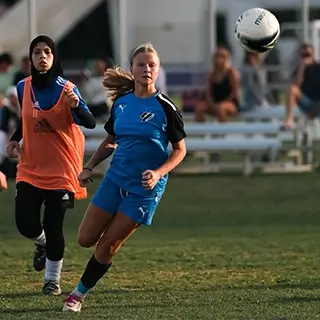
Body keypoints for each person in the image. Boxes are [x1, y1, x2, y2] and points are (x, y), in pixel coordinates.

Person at [62, 43, 187, 312]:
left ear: (158, 70)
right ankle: (105, 244)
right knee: (85, 239)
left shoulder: (166, 107)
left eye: (152, 64)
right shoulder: (121, 103)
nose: (147, 69)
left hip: (144, 190)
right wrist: (90, 166)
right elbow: (111, 139)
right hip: (115, 180)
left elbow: (180, 151)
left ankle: (77, 295)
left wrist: (158, 172)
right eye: (141, 64)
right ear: (132, 68)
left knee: (107, 245)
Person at [6, 35, 96, 296]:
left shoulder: (67, 89)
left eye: (47, 52)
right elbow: (26, 122)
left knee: (54, 225)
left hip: (62, 170)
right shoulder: (23, 87)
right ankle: (41, 243)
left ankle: (52, 280)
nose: (42, 56)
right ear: (31, 59)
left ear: (54, 57)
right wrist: (14, 141)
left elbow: (89, 123)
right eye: (37, 52)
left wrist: (77, 106)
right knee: (25, 223)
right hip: (31, 168)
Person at [195, 46, 239, 122]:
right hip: (214, 103)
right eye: (216, 57)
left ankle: (222, 132)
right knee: (199, 108)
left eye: (221, 57)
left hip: (230, 103)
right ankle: (203, 131)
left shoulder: (231, 73)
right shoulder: (211, 75)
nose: (218, 60)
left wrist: (222, 103)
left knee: (220, 108)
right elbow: (208, 94)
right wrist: (212, 105)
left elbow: (234, 93)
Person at [283, 43, 320, 129]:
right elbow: (296, 85)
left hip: (318, 101)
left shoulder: (318, 68)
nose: (306, 58)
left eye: (308, 55)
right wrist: (301, 68)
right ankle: (289, 119)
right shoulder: (299, 70)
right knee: (292, 89)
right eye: (303, 55)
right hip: (306, 101)